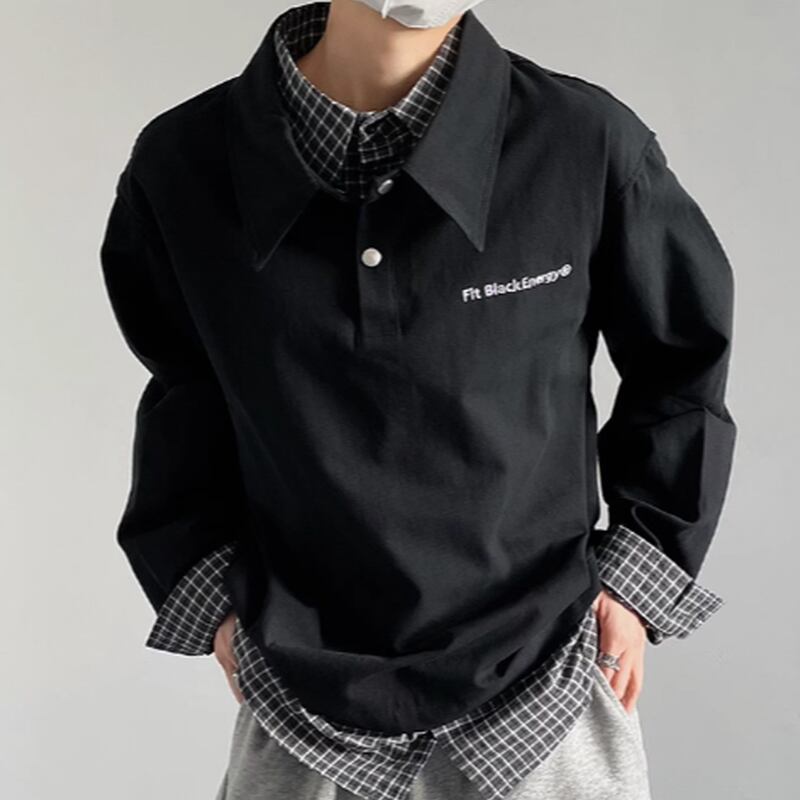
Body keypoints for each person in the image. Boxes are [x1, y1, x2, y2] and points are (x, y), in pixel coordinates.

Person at [98, 1, 737, 798]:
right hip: (301, 699)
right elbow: (181, 393)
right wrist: (213, 599)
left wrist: (635, 583)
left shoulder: (584, 142)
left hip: (550, 688)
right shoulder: (183, 163)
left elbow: (681, 364)